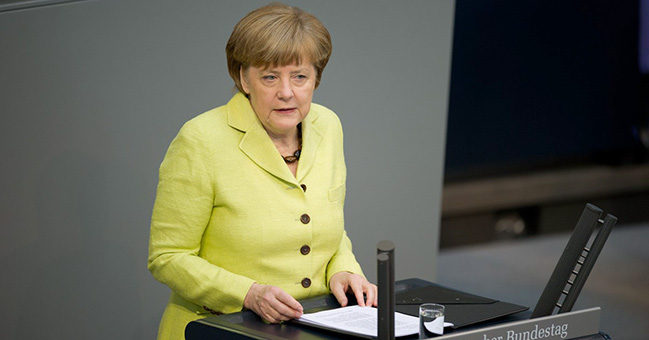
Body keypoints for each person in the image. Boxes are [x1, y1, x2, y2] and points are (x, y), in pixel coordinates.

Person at [147, 2, 377, 339]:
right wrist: (248, 294)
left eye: (300, 76)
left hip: (309, 328)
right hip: (221, 329)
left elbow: (325, 227)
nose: (286, 92)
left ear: (316, 78)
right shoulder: (200, 140)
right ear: (243, 77)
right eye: (270, 76)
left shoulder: (328, 126)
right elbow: (167, 257)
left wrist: (343, 270)